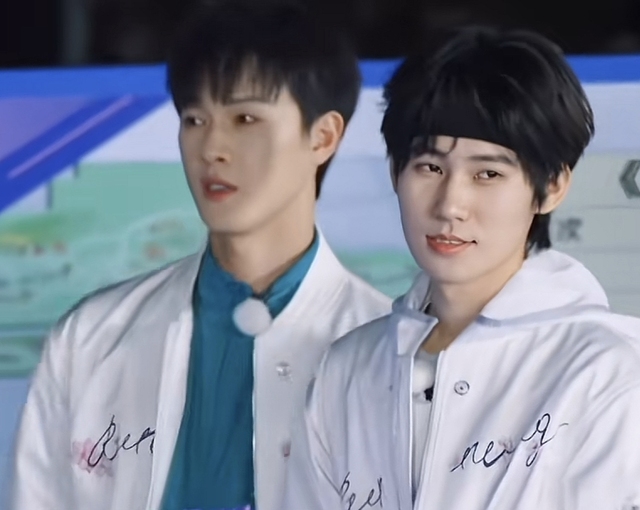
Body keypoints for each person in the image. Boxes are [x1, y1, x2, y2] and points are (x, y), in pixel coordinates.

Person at [7, 3, 391, 510]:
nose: (212, 147)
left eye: (245, 118)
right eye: (194, 119)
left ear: (323, 137)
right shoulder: (91, 337)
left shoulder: (390, 357)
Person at [282, 26, 640, 510]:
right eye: (430, 167)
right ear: (395, 172)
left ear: (552, 187)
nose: (451, 204)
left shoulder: (610, 374)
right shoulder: (346, 371)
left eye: (487, 173)